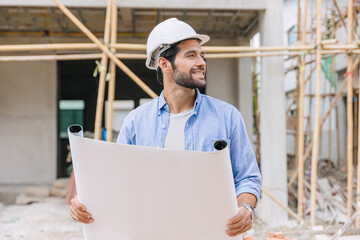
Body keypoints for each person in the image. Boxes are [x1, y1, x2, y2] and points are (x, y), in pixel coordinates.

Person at [70, 18, 261, 237]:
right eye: (191, 55)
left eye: (202, 55)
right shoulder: (136, 122)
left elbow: (248, 177)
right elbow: (119, 184)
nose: (201, 62)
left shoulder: (227, 117)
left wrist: (245, 208)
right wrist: (83, 204)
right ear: (164, 64)